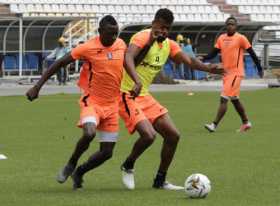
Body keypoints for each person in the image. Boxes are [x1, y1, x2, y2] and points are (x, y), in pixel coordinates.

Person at [26, 15, 141, 190]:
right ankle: (71, 163)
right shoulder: (87, 47)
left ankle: (79, 172)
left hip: (112, 105)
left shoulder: (120, 45)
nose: (114, 37)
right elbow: (60, 63)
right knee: (89, 133)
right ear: (100, 31)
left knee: (107, 153)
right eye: (110, 34)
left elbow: (125, 62)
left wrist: (136, 81)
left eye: (116, 33)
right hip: (92, 102)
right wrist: (37, 87)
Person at [119, 8, 224, 190]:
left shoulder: (168, 44)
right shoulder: (141, 37)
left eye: (167, 28)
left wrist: (209, 68)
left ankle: (160, 180)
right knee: (149, 136)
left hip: (144, 95)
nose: (164, 32)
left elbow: (189, 61)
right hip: (126, 94)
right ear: (154, 23)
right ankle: (128, 165)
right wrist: (136, 80)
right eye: (161, 27)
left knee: (173, 135)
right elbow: (127, 57)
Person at [201, 16, 263, 133]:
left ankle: (214, 125)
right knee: (234, 100)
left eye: (232, 24)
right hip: (226, 74)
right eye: (228, 24)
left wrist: (259, 68)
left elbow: (252, 53)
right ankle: (246, 122)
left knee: (223, 98)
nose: (230, 26)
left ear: (236, 26)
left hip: (236, 73)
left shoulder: (241, 38)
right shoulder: (221, 38)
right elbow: (212, 54)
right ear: (226, 26)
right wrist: (203, 58)